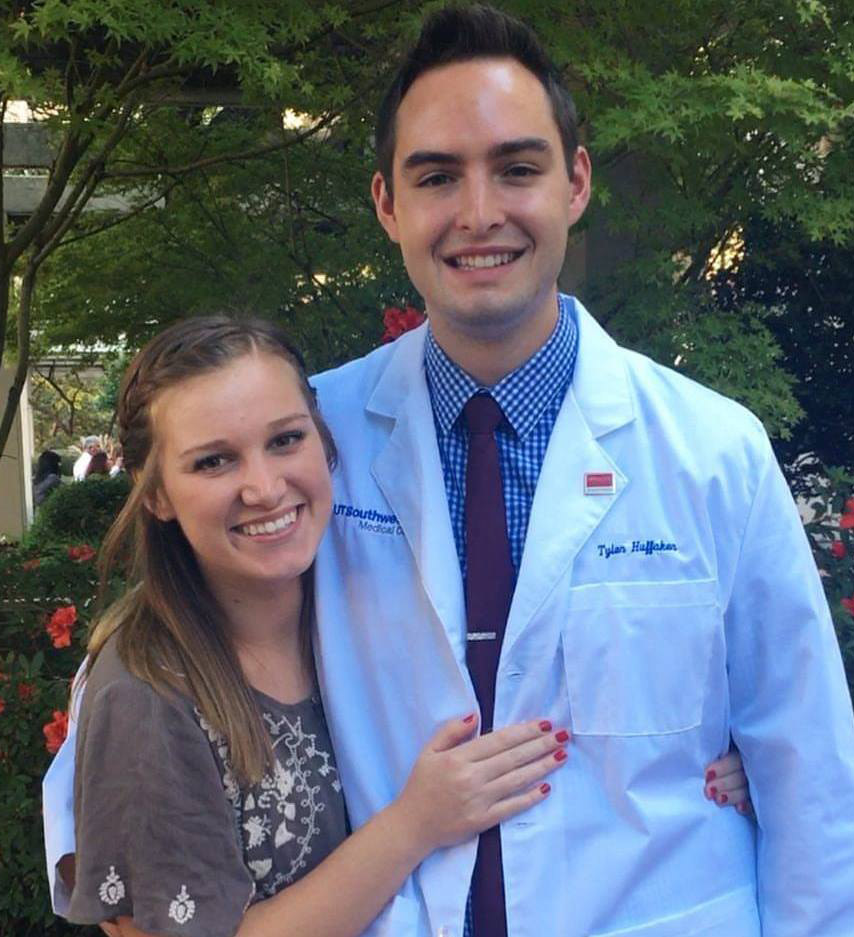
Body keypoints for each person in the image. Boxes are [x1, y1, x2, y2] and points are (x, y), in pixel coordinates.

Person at [42, 4, 825, 935]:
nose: (479, 212)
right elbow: (153, 662)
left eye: (517, 168)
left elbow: (810, 769)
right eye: (438, 176)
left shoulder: (714, 451)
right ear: (388, 204)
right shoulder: (303, 442)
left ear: (575, 183)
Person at [57, 317, 572, 937]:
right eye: (214, 461)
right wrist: (416, 823)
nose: (265, 488)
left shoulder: (361, 611)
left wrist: (713, 759)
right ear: (157, 495)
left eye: (285, 440)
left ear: (327, 446)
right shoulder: (147, 692)